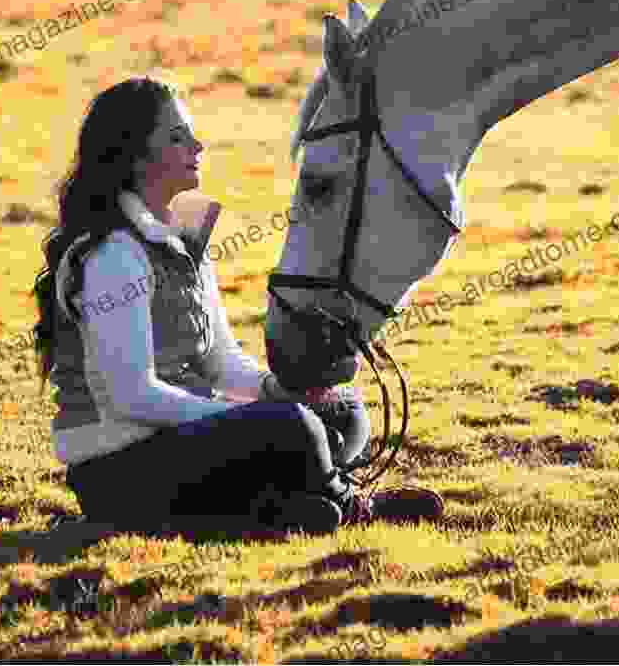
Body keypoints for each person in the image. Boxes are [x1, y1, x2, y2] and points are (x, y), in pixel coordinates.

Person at [30, 76, 382, 539]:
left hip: (183, 442)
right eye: (176, 138)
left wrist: (274, 389)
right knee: (293, 428)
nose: (197, 145)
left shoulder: (183, 242)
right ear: (136, 160)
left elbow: (219, 362)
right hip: (118, 467)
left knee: (341, 411)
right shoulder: (114, 255)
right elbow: (133, 396)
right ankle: (346, 504)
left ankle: (278, 509)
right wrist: (239, 416)